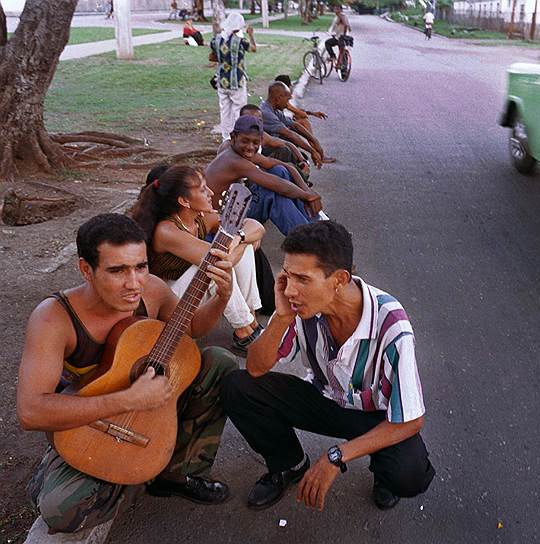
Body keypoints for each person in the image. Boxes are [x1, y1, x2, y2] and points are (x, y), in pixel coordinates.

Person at [18, 214, 238, 534]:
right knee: (60, 511)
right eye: (117, 270)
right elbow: (31, 411)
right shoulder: (54, 319)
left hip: (150, 403)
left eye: (141, 266)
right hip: (92, 422)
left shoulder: (153, 291)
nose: (134, 282)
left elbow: (192, 329)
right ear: (86, 270)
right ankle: (111, 470)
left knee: (219, 362)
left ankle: (173, 473)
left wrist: (221, 298)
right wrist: (128, 399)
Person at [222, 221, 435, 512]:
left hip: (374, 417)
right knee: (238, 386)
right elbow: (257, 368)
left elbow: (411, 419)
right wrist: (282, 318)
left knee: (408, 473)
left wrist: (337, 456)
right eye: (287, 275)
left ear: (338, 280)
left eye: (303, 279)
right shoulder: (297, 309)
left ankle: (384, 475)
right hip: (325, 400)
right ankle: (290, 464)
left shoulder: (390, 323)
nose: (291, 290)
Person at [131, 165, 266, 355]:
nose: (211, 192)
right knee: (208, 268)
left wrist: (239, 238)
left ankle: (248, 318)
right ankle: (245, 327)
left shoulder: (202, 218)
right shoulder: (166, 230)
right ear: (184, 201)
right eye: (203, 189)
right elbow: (217, 260)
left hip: (192, 291)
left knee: (237, 252)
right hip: (169, 300)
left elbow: (256, 226)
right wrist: (243, 242)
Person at [205, 114, 323, 236]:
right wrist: (307, 196)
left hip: (233, 208)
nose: (250, 147)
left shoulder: (235, 148)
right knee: (270, 195)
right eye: (245, 141)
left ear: (261, 140)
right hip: (221, 223)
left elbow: (281, 165)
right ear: (233, 137)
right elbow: (277, 185)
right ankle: (308, 239)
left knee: (279, 171)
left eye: (255, 142)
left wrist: (308, 191)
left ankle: (310, 223)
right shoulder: (234, 160)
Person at [217, 104, 312, 185]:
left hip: (256, 173)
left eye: (259, 121)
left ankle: (299, 183)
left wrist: (302, 160)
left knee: (284, 153)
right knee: (281, 173)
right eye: (250, 119)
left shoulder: (262, 135)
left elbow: (286, 144)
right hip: (245, 184)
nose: (255, 123)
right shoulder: (232, 146)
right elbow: (261, 166)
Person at [260, 82, 334, 169]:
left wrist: (314, 141)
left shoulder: (275, 110)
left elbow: (294, 125)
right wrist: (312, 151)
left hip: (273, 144)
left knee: (298, 131)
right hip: (265, 151)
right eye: (287, 100)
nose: (288, 104)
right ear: (279, 98)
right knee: (287, 148)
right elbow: (288, 133)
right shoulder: (266, 113)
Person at [210, 13, 257, 140]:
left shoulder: (216, 39)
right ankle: (239, 137)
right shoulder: (241, 41)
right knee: (239, 111)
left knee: (224, 112)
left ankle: (226, 139)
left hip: (222, 81)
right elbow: (253, 49)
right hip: (237, 81)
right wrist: (251, 35)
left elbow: (212, 56)